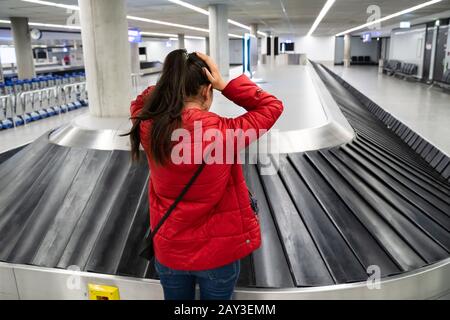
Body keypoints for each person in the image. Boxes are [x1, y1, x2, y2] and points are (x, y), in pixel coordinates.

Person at [127, 49, 283, 300]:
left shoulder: (148, 128)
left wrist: (170, 79)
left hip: (170, 252)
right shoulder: (224, 133)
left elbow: (138, 102)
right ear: (206, 91)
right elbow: (271, 106)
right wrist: (225, 84)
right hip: (217, 256)